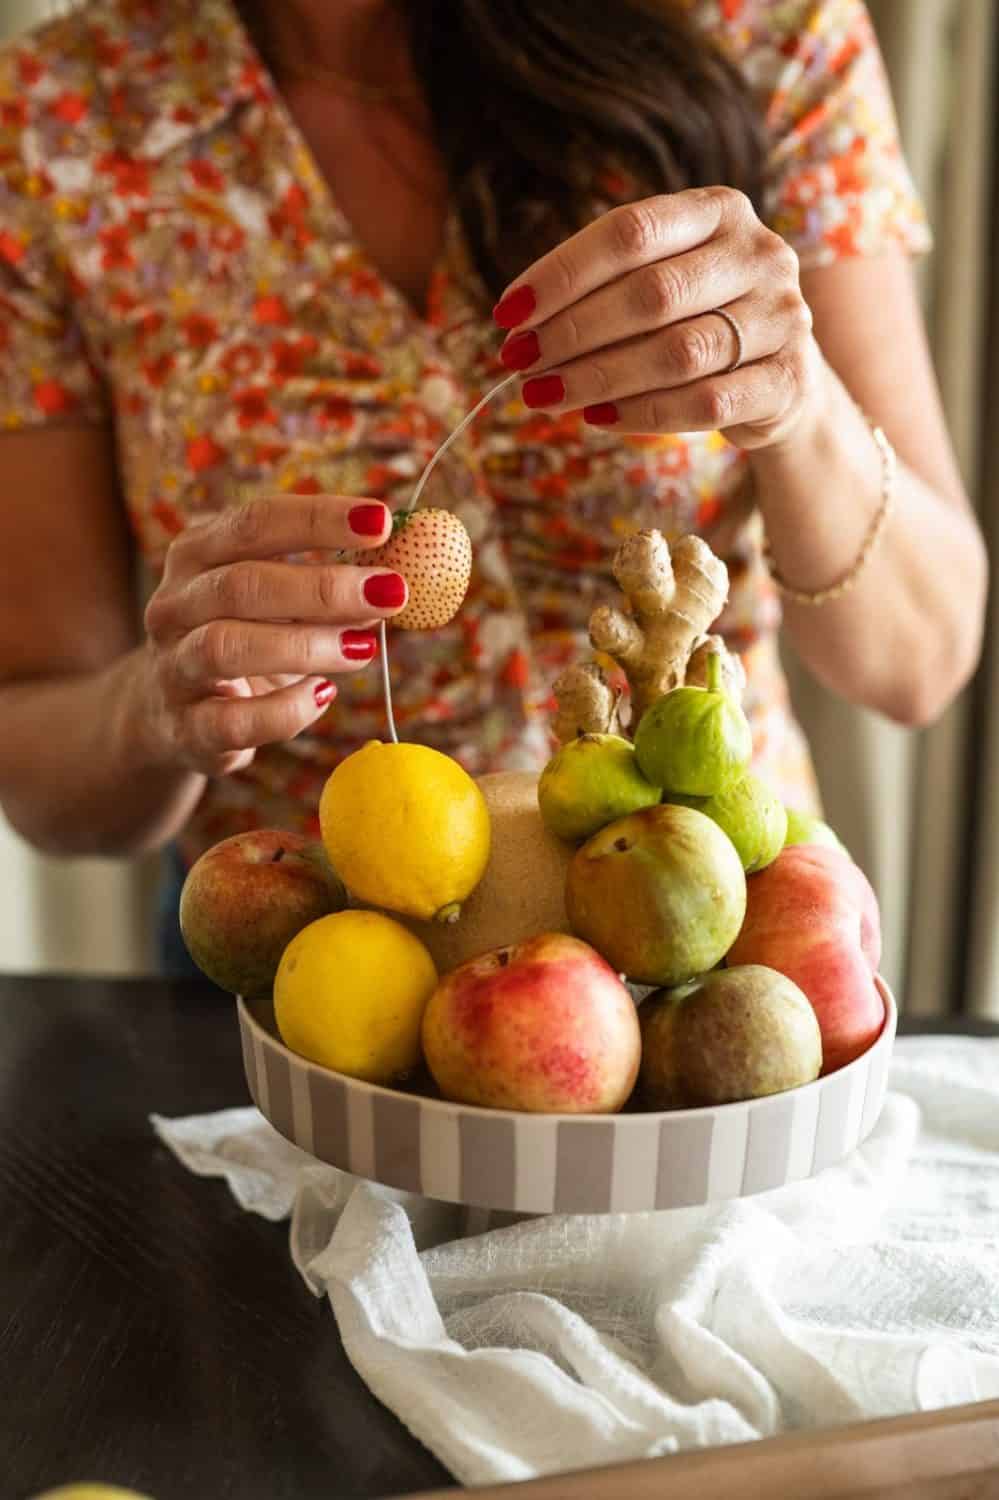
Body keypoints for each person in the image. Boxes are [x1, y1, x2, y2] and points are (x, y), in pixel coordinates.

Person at [0, 0, 987, 972]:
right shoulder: (62, 117)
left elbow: (920, 661)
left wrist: (799, 404)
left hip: (713, 950)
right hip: (312, 982)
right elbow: (44, 770)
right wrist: (153, 710)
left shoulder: (762, 27)